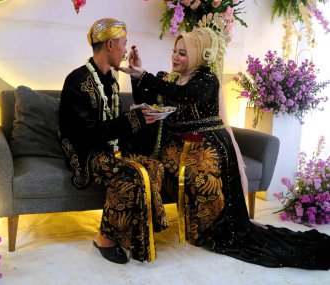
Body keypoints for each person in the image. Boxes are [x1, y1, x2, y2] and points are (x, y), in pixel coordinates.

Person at [120, 14, 330, 270]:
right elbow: (148, 96)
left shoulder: (206, 79)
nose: (175, 57)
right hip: (181, 145)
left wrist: (146, 76)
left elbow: (184, 96)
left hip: (209, 145)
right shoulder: (172, 78)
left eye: (183, 53)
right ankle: (194, 225)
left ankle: (211, 230)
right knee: (163, 168)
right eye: (174, 51)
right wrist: (136, 76)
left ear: (198, 56)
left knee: (200, 176)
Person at [58, 18, 168, 264]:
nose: (126, 50)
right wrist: (132, 120)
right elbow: (88, 134)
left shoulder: (110, 79)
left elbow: (117, 120)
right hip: (87, 153)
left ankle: (131, 231)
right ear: (110, 44)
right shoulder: (77, 81)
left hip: (112, 148)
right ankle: (105, 237)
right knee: (131, 175)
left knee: (155, 167)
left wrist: (137, 81)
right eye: (123, 44)